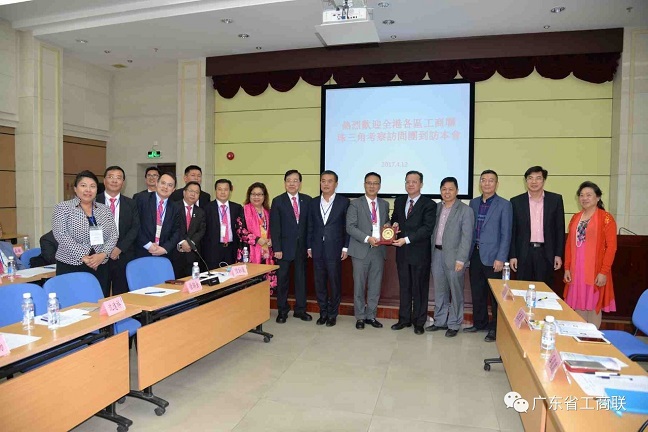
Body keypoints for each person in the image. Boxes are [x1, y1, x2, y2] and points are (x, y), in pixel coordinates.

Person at [51, 170, 118, 294]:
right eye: (83, 185)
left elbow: (114, 235)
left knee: (98, 300)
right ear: (75, 189)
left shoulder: (104, 209)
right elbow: (61, 234)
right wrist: (84, 257)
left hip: (100, 264)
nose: (88, 190)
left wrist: (103, 255)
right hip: (71, 264)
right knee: (73, 301)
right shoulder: (63, 208)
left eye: (92, 186)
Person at [466, 170, 512, 342]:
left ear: (496, 184)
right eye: (483, 180)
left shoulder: (504, 205)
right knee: (477, 291)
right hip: (476, 253)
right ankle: (480, 323)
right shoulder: (474, 203)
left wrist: (501, 257)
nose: (487, 183)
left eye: (491, 180)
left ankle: (495, 327)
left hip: (494, 257)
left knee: (495, 296)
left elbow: (506, 234)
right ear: (480, 183)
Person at [563, 181, 617, 328]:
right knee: (578, 303)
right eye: (581, 195)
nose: (584, 198)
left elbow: (611, 247)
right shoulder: (575, 217)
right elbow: (569, 245)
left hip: (595, 269)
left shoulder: (606, 218)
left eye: (589, 195)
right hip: (576, 269)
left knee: (593, 304)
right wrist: (567, 268)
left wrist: (603, 272)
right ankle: (579, 337)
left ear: (598, 197)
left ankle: (592, 338)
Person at [390, 171, 436, 335]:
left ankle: (419, 322)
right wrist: (394, 225)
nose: (410, 184)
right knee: (404, 287)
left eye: (414, 182)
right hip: (402, 253)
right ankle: (404, 319)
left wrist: (407, 239)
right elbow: (395, 218)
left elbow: (427, 229)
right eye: (408, 181)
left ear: (421, 184)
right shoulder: (399, 200)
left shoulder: (429, 204)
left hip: (419, 253)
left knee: (419, 289)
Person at [428, 177, 474, 338]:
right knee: (439, 290)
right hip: (437, 254)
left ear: (457, 191)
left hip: (455, 257)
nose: (447, 192)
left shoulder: (465, 210)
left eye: (450, 189)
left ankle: (454, 323)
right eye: (444, 189)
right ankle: (440, 321)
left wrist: (461, 259)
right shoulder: (436, 208)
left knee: (455, 291)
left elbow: (467, 237)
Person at [346, 172, 390, 330]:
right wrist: (367, 238)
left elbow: (386, 222)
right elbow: (350, 227)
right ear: (364, 185)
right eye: (369, 183)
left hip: (379, 251)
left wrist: (389, 226)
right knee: (359, 285)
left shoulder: (384, 204)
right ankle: (360, 316)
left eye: (375, 183)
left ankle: (371, 315)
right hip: (360, 250)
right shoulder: (355, 204)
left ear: (380, 186)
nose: (372, 186)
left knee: (375, 285)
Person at [510, 166, 565, 289]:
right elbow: (513, 231)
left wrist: (558, 254)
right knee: (522, 289)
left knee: (545, 290)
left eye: (538, 178)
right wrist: (513, 255)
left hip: (546, 252)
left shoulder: (555, 200)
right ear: (526, 181)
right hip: (524, 253)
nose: (534, 181)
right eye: (530, 178)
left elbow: (559, 229)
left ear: (544, 180)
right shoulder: (516, 201)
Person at [307, 170, 350, 327]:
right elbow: (310, 226)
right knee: (319, 282)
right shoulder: (313, 202)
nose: (326, 184)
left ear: (336, 184)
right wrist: (309, 246)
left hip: (335, 248)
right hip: (317, 247)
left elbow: (347, 227)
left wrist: (346, 247)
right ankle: (323, 312)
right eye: (323, 181)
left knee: (334, 282)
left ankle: (333, 314)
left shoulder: (344, 202)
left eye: (329, 181)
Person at [270, 170, 312, 323]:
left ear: (300, 183)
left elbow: (310, 226)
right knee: (283, 281)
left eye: (295, 180)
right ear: (285, 183)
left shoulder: (307, 200)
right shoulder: (278, 201)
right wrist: (277, 248)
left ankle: (300, 310)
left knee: (301, 280)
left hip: (302, 248)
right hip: (283, 249)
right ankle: (282, 310)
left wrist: (309, 247)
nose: (292, 183)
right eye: (289, 180)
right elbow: (275, 227)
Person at [96, 166, 141, 296]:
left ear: (123, 182)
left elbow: (135, 228)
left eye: (118, 178)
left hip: (123, 255)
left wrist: (120, 248)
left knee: (122, 295)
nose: (114, 180)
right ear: (104, 181)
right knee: (100, 293)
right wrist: (105, 250)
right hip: (99, 256)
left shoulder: (131, 203)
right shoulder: (94, 201)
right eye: (111, 177)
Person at [235, 182, 277, 294]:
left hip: (266, 254)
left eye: (259, 194)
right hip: (248, 253)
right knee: (248, 286)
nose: (256, 197)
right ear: (249, 196)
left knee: (264, 287)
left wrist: (272, 239)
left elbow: (274, 230)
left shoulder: (269, 212)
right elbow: (240, 230)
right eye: (253, 194)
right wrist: (257, 239)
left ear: (264, 196)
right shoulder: (244, 210)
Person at [135, 172, 182, 260]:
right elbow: (135, 225)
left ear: (173, 189)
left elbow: (177, 231)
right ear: (157, 183)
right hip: (141, 251)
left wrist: (165, 248)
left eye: (170, 185)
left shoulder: (176, 207)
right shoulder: (141, 199)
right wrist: (148, 245)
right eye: (163, 183)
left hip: (164, 254)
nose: (165, 187)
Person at [202, 179, 244, 270]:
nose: (223, 192)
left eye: (226, 189)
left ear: (230, 191)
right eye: (220, 189)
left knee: (232, 276)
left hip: (232, 249)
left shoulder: (237, 208)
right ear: (215, 191)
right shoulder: (207, 208)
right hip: (213, 250)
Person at [171, 181, 206, 278]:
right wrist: (182, 242)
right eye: (191, 191)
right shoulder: (173, 207)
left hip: (192, 254)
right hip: (175, 252)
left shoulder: (200, 212)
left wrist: (190, 243)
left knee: (191, 281)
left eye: (196, 192)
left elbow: (201, 230)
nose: (193, 194)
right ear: (184, 192)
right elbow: (172, 227)